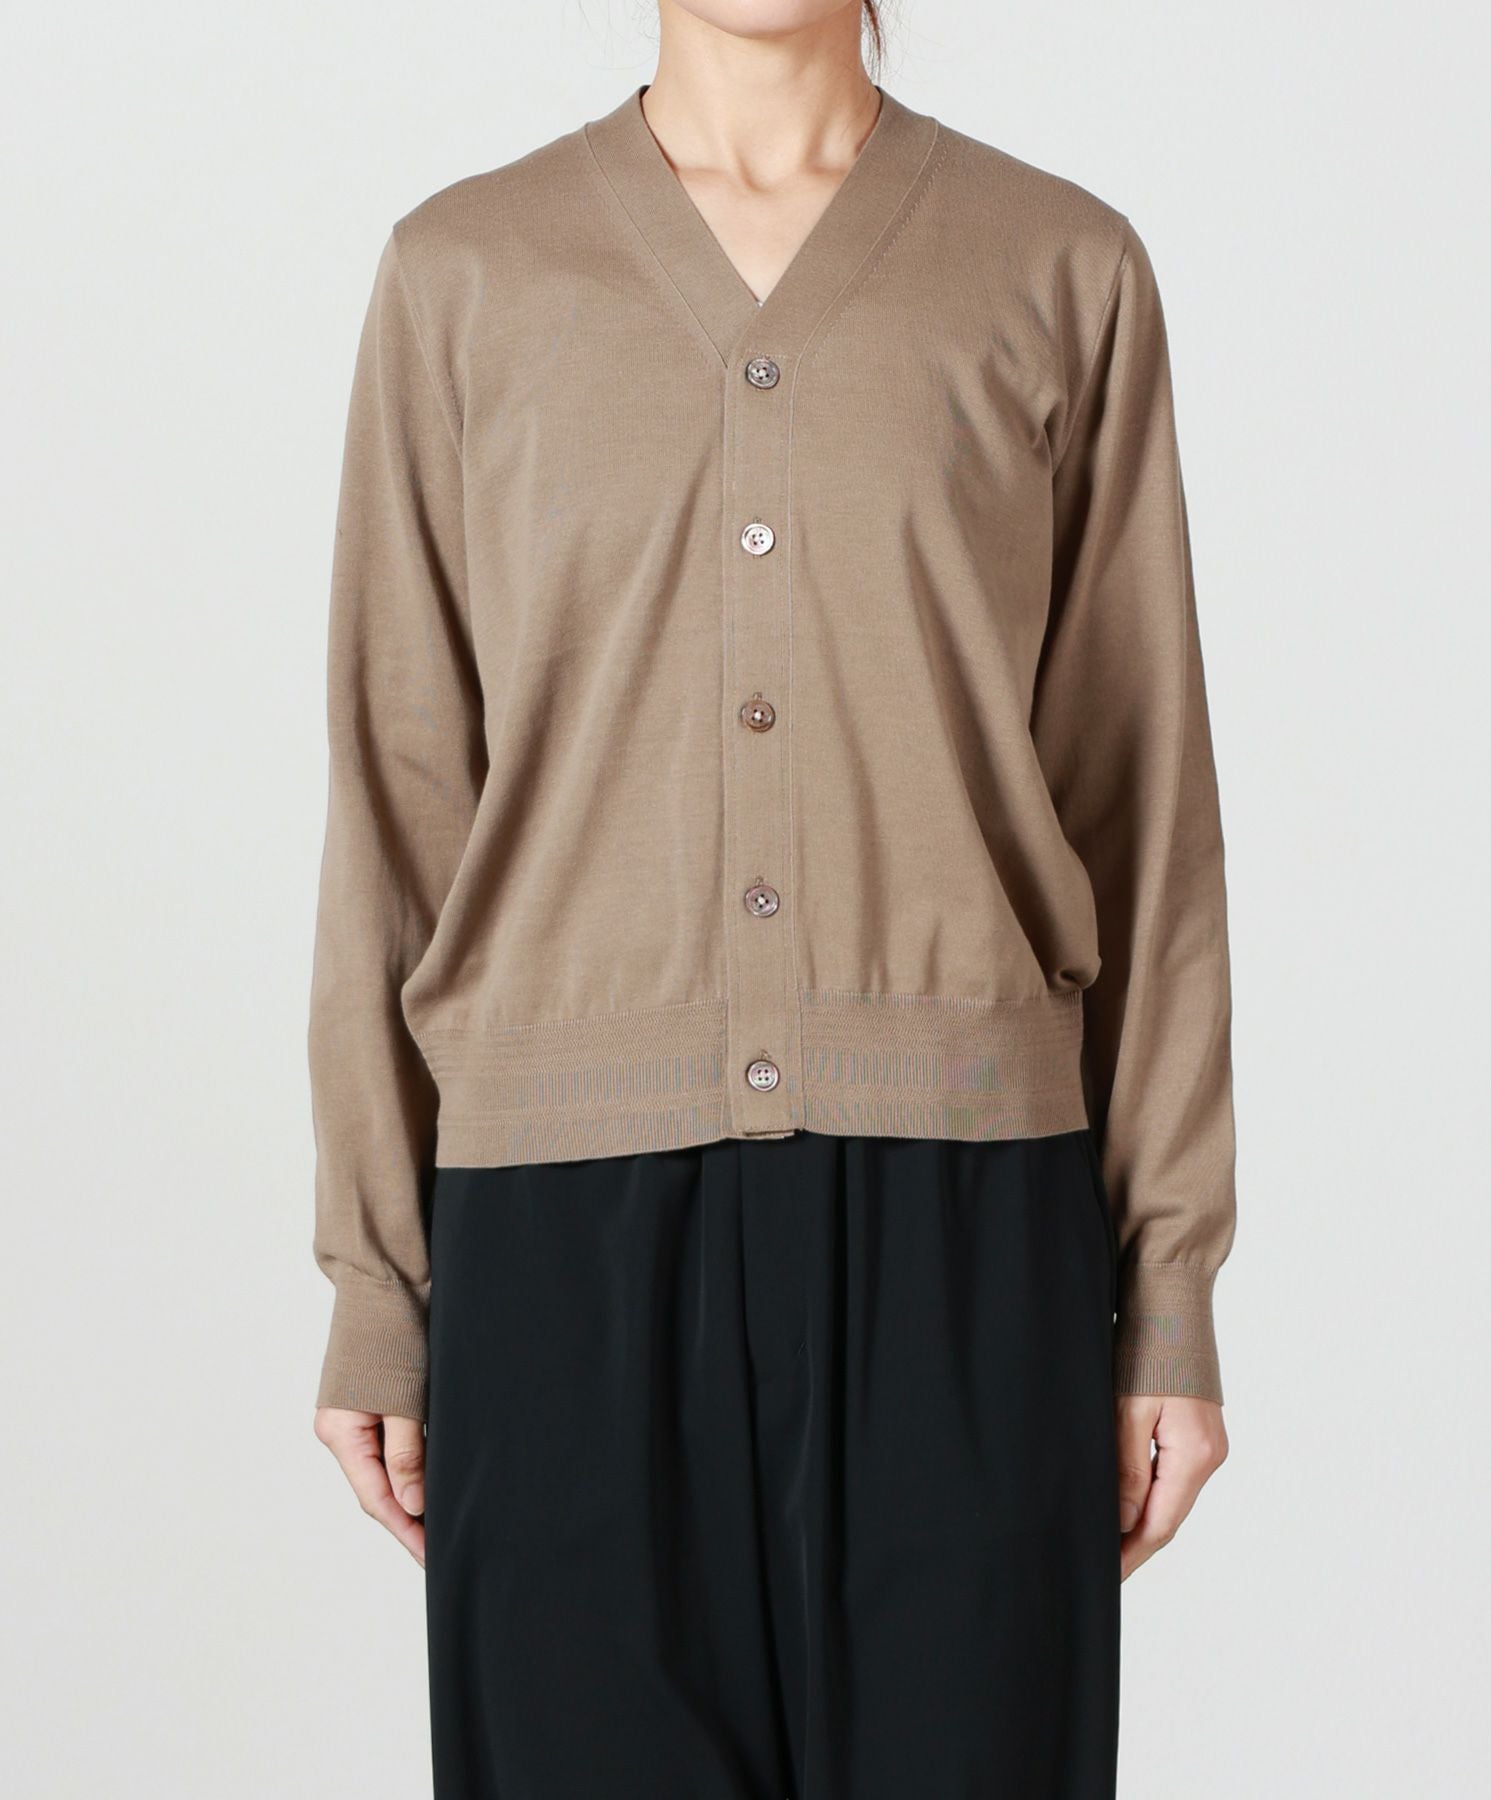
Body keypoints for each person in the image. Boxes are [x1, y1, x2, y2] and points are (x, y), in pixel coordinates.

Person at [309, 3, 1235, 1794]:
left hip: (970, 1224)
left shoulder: (1059, 266)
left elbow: (1145, 807)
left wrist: (1172, 1287)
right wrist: (377, 1282)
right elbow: (398, 802)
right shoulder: (463, 275)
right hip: (558, 1234)